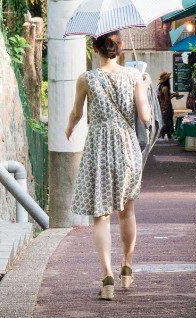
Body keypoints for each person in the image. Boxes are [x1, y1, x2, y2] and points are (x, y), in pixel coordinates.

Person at [66, 32, 152, 300]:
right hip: (127, 147)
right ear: (121, 47)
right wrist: (146, 86)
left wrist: (69, 127)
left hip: (99, 149)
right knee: (127, 211)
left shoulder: (86, 79)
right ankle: (127, 267)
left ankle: (107, 278)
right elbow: (145, 117)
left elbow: (77, 113)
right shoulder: (134, 76)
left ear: (95, 49)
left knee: (101, 215)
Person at [157, 74, 175, 140]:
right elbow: (167, 99)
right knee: (168, 121)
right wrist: (174, 95)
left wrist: (171, 94)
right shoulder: (165, 88)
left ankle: (169, 136)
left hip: (162, 106)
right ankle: (161, 135)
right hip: (166, 107)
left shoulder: (160, 87)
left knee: (166, 120)